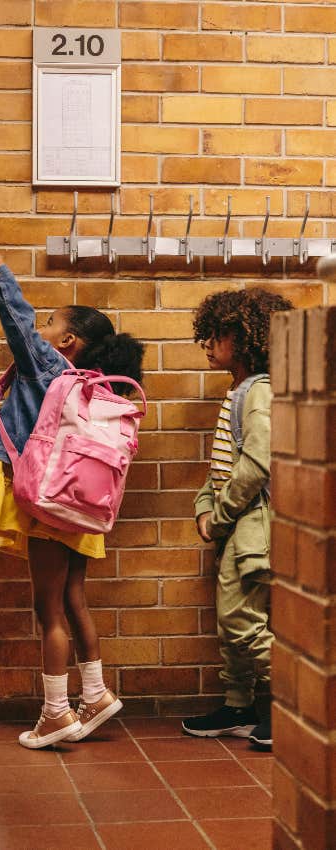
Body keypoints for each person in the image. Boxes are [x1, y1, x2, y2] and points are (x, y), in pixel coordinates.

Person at [0, 215, 145, 749]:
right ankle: (96, 693)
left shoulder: (53, 369)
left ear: (68, 340)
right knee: (74, 598)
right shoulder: (100, 389)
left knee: (48, 609)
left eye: (49, 327)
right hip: (84, 503)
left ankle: (56, 714)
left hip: (51, 501)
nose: (38, 333)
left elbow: (16, 319)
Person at [182, 287, 292, 750]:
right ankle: (238, 706)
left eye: (217, 335)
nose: (207, 344)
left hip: (252, 522)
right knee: (233, 621)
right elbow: (221, 468)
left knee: (240, 619)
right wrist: (205, 507)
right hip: (236, 520)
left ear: (247, 339)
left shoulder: (260, 390)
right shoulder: (240, 391)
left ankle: (302, 708)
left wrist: (222, 515)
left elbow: (258, 462)